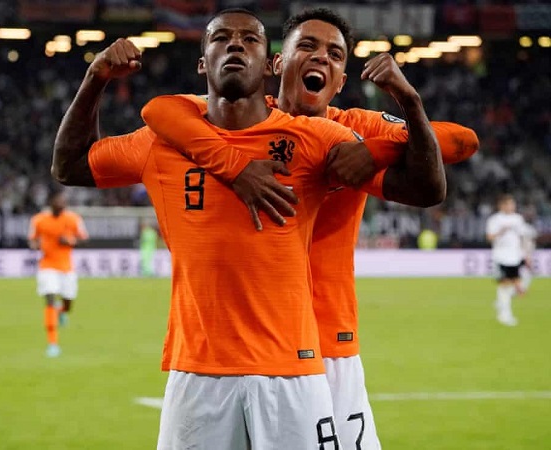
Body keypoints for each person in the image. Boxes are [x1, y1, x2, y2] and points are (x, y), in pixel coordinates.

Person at [52, 9, 420, 449]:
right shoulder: (161, 139)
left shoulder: (312, 138)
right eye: (221, 37)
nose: (235, 44)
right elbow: (70, 165)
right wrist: (95, 78)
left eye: (250, 39)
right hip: (197, 368)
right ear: (202, 63)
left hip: (293, 367)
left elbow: (425, 181)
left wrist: (391, 131)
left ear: (268, 66)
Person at [143, 7, 478, 448]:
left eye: (335, 54)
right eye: (307, 45)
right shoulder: (237, 120)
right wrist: (228, 162)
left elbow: (461, 140)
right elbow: (161, 111)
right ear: (276, 63)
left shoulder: (351, 129)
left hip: (328, 346)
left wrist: (375, 148)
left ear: (340, 82)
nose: (321, 57)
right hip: (244, 354)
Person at [28, 190, 88, 357]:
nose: (62, 204)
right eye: (58, 201)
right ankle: (52, 344)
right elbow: (32, 239)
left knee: (68, 303)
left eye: (63, 201)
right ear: (51, 202)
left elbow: (84, 239)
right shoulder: (39, 220)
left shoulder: (73, 219)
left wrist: (70, 241)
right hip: (47, 266)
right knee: (50, 298)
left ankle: (61, 312)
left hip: (67, 268)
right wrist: (34, 245)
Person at [486, 194, 530, 326]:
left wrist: (526, 254)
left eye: (513, 204)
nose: (512, 206)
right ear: (502, 205)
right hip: (501, 256)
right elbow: (489, 237)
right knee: (504, 284)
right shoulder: (495, 219)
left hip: (516, 256)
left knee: (523, 281)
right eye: (509, 204)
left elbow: (523, 237)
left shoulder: (518, 219)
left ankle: (502, 302)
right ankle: (504, 315)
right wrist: (501, 232)